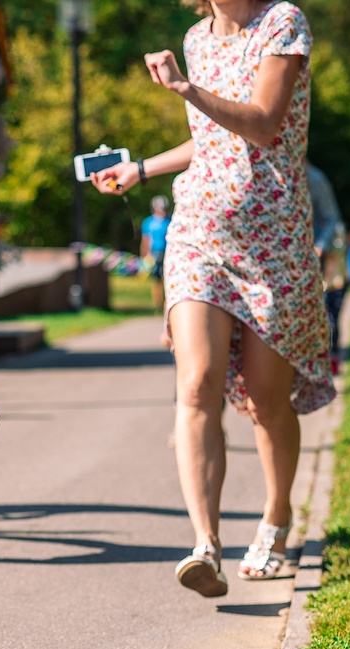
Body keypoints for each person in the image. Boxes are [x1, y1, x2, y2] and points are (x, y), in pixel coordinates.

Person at [90, 0, 335, 597]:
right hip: (199, 233)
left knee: (265, 400)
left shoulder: (282, 24)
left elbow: (261, 123)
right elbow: (212, 142)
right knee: (196, 382)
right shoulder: (196, 38)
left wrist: (184, 87)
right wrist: (141, 168)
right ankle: (206, 545)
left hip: (273, 242)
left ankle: (276, 523)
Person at [306, 162, 347, 375]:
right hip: (293, 256)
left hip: (323, 258)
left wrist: (319, 245)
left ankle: (330, 362)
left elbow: (331, 217)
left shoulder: (314, 178)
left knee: (329, 311)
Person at [140, 195, 172, 311]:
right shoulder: (148, 222)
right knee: (157, 280)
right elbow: (146, 240)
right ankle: (158, 304)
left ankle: (166, 303)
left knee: (167, 279)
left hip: (168, 253)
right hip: (154, 254)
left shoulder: (171, 221)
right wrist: (144, 255)